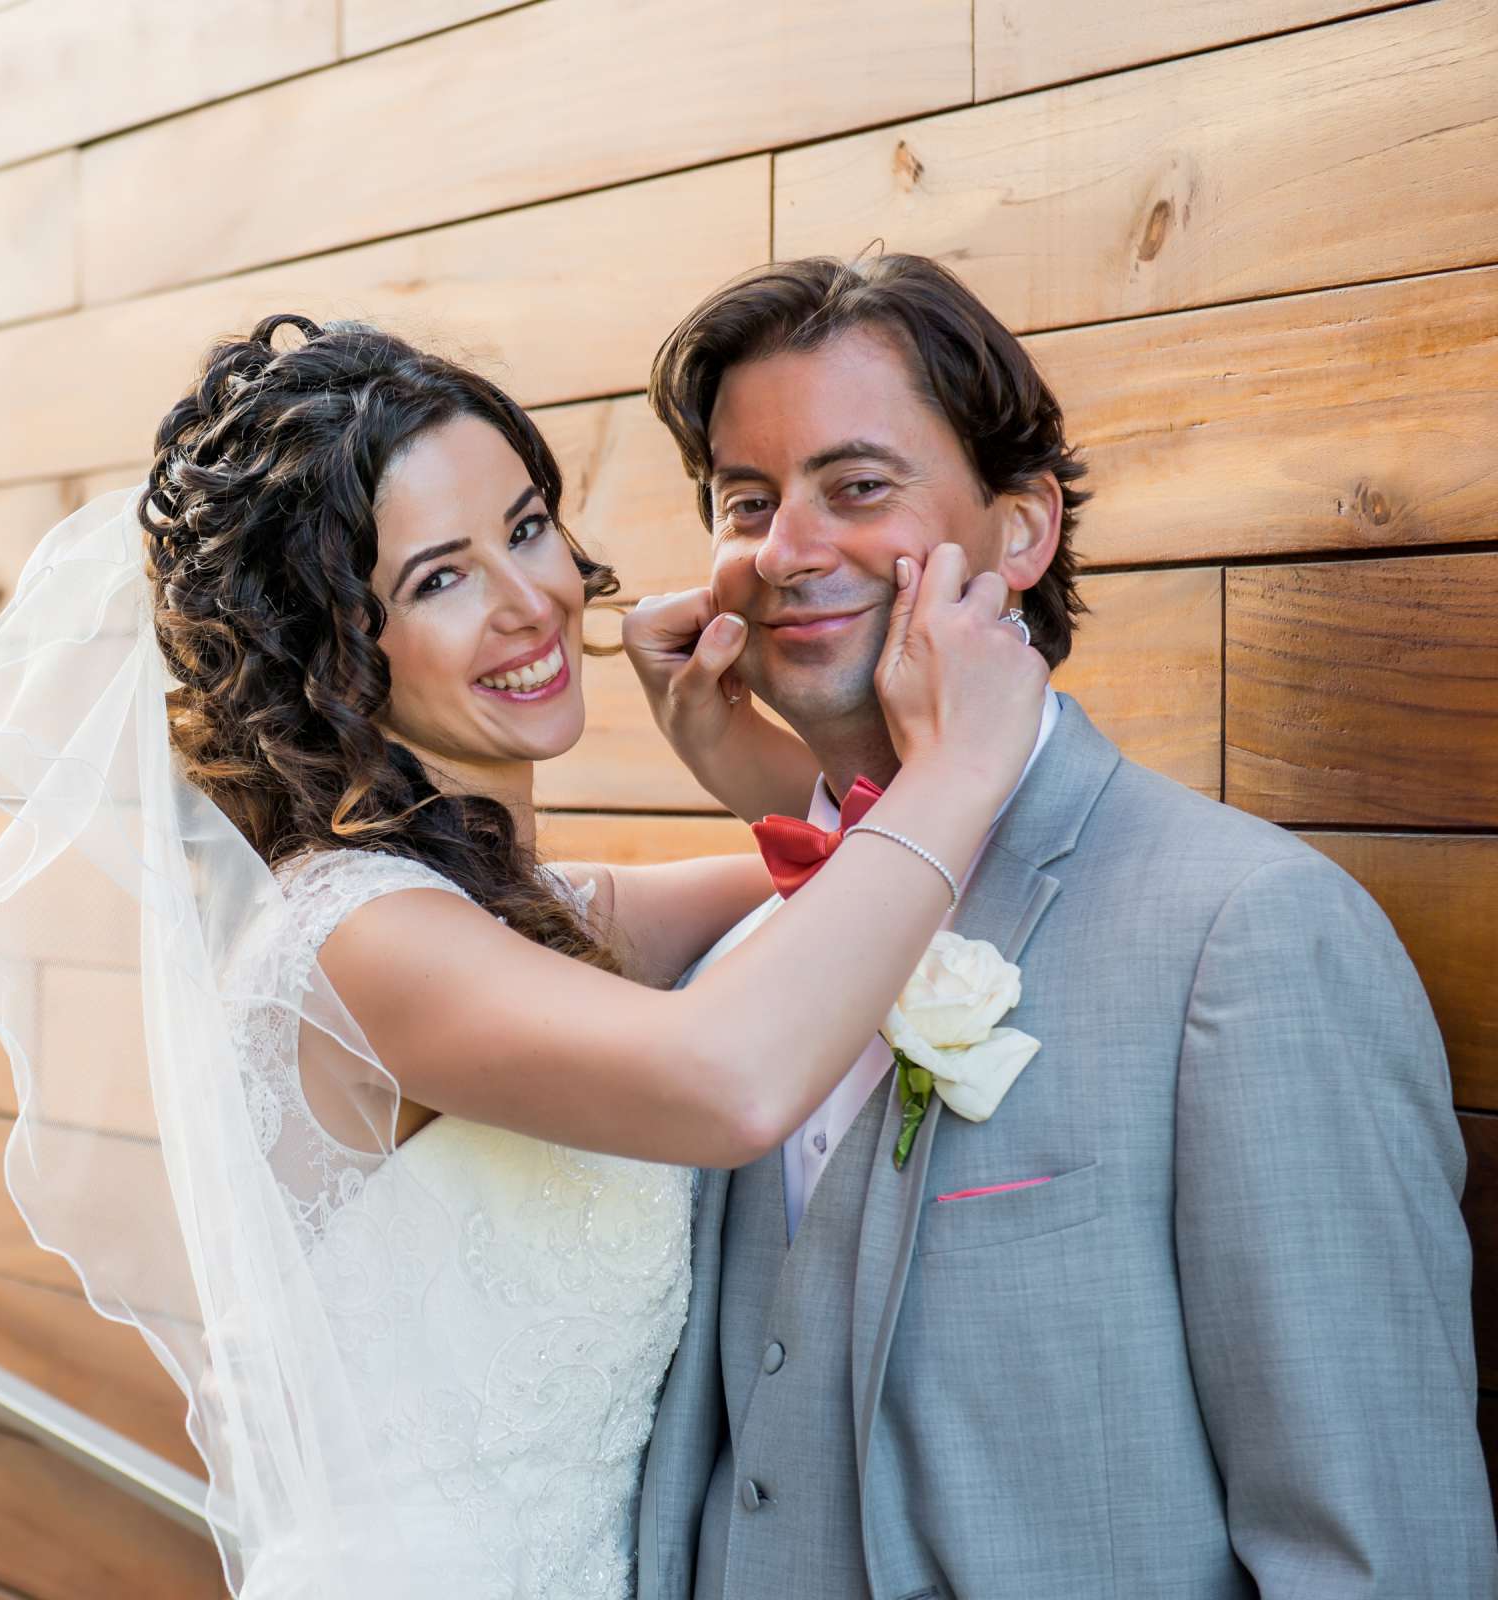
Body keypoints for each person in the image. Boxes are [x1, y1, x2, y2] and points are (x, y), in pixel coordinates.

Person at [0, 312, 1045, 1598]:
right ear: (332, 658)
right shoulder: (356, 938)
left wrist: (749, 766)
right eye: (438, 579)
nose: (532, 604)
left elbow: (849, 891)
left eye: (525, 529)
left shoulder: (535, 917)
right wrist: (959, 764)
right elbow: (732, 1074)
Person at [625, 254, 1495, 1599]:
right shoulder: (745, 952)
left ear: (1020, 532)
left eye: (856, 487)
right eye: (748, 501)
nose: (786, 551)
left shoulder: (1249, 937)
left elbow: (1377, 1556)